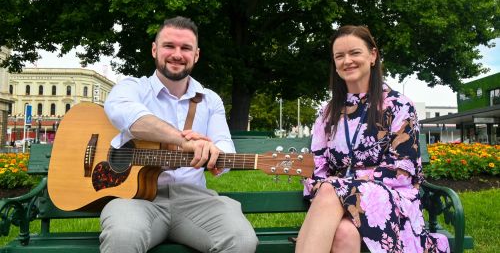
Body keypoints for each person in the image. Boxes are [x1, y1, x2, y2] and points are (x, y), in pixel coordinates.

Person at [101, 16, 258, 253]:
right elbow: (126, 113)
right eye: (169, 46)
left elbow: (224, 145)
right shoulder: (132, 87)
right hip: (135, 199)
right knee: (123, 236)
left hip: (194, 199)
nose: (177, 54)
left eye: (186, 48)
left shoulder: (210, 100)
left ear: (196, 55)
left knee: (241, 240)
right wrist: (184, 141)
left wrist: (215, 153)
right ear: (154, 50)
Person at [295, 25, 450, 253]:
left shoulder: (398, 106)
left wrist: (342, 185)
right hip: (337, 204)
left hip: (391, 198)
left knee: (330, 189)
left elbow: (401, 170)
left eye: (354, 53)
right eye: (339, 56)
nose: (347, 60)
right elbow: (317, 166)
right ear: (335, 65)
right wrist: (337, 189)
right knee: (344, 232)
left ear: (373, 56)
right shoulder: (328, 113)